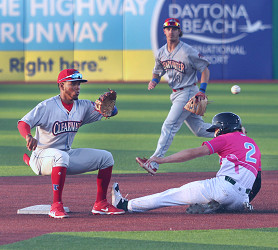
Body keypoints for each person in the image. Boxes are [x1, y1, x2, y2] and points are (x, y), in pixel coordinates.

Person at [17, 68, 125, 218]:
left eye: (79, 84)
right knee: (60, 156)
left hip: (65, 155)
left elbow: (111, 112)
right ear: (61, 86)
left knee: (106, 158)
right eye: (73, 84)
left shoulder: (83, 106)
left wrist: (109, 108)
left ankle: (100, 204)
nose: (77, 87)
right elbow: (23, 123)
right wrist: (28, 136)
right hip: (42, 157)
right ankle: (56, 205)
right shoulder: (47, 106)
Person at [113, 112, 261, 214]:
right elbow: (257, 183)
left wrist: (162, 160)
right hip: (242, 198)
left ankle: (125, 205)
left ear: (223, 127)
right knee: (225, 198)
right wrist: (243, 199)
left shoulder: (226, 138)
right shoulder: (253, 145)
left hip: (222, 188)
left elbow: (193, 153)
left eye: (216, 129)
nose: (215, 132)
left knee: (171, 195)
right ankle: (219, 206)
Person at [136, 18, 214, 173]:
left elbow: (205, 69)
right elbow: (157, 71)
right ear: (164, 31)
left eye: (174, 28)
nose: (171, 31)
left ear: (179, 31)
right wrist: (154, 80)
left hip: (189, 92)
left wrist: (202, 90)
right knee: (199, 130)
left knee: (169, 125)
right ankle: (232, 131)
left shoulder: (187, 51)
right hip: (176, 94)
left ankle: (154, 162)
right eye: (168, 28)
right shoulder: (161, 52)